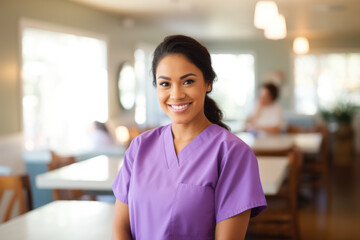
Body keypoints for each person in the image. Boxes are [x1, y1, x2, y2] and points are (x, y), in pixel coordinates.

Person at [112, 35, 267, 240]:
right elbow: (120, 228)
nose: (176, 95)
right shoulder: (139, 147)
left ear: (208, 83)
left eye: (188, 81)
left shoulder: (233, 154)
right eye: (165, 84)